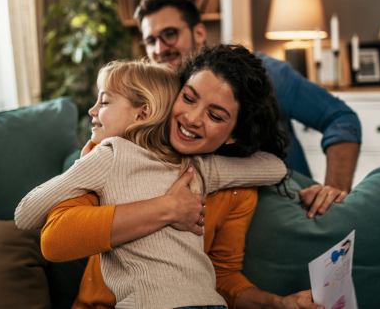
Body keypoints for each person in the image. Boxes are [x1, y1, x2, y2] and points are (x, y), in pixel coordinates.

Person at [42, 45, 324, 309]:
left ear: (233, 136)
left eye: (215, 115)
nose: (191, 118)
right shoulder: (115, 149)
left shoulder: (236, 189)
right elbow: (55, 240)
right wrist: (167, 208)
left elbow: (223, 278)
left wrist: (278, 303)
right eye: (188, 98)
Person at [135, 0, 362, 217]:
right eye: (150, 40)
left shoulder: (266, 75)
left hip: (290, 208)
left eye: (169, 34)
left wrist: (333, 189)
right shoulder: (153, 96)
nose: (159, 49)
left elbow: (340, 118)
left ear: (199, 32)